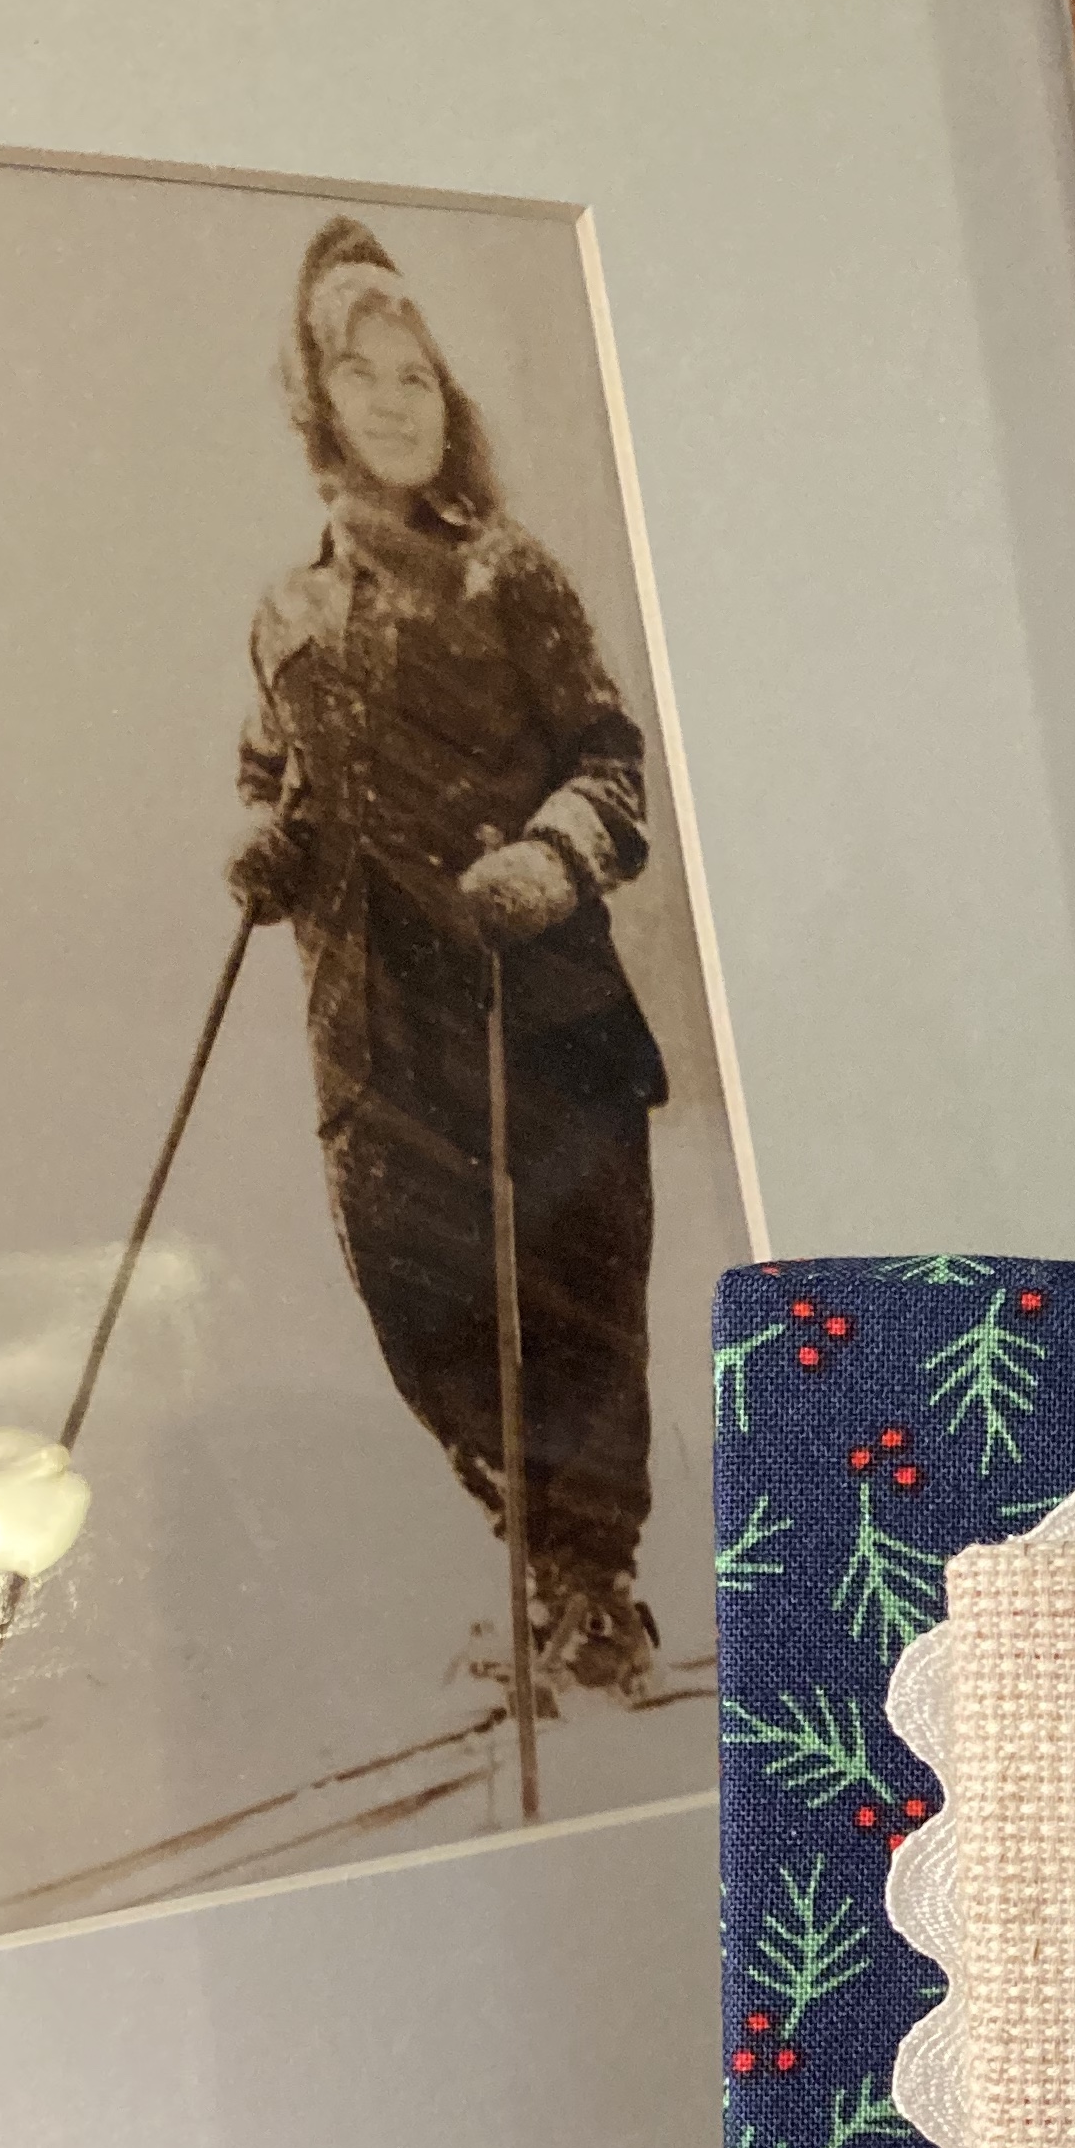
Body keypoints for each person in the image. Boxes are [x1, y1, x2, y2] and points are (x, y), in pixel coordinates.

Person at [229, 214, 667, 1700]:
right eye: (364, 378)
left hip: (538, 1009)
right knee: (425, 1309)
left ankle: (598, 1591)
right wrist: (264, 845)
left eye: (416, 375)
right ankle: (541, 1561)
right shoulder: (286, 612)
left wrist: (550, 855)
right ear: (319, 404)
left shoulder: (509, 576)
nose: (397, 402)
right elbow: (274, 776)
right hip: (376, 1031)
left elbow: (612, 760)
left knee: (573, 1302)